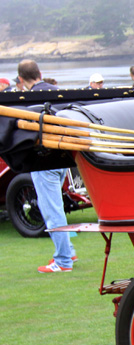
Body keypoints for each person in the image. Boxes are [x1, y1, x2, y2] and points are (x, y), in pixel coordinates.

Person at [15, 60, 76, 273]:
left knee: (52, 210)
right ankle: (68, 250)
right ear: (40, 73)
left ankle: (63, 260)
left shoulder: (27, 99)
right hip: (63, 159)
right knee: (56, 206)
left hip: (42, 160)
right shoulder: (57, 91)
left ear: (21, 79)